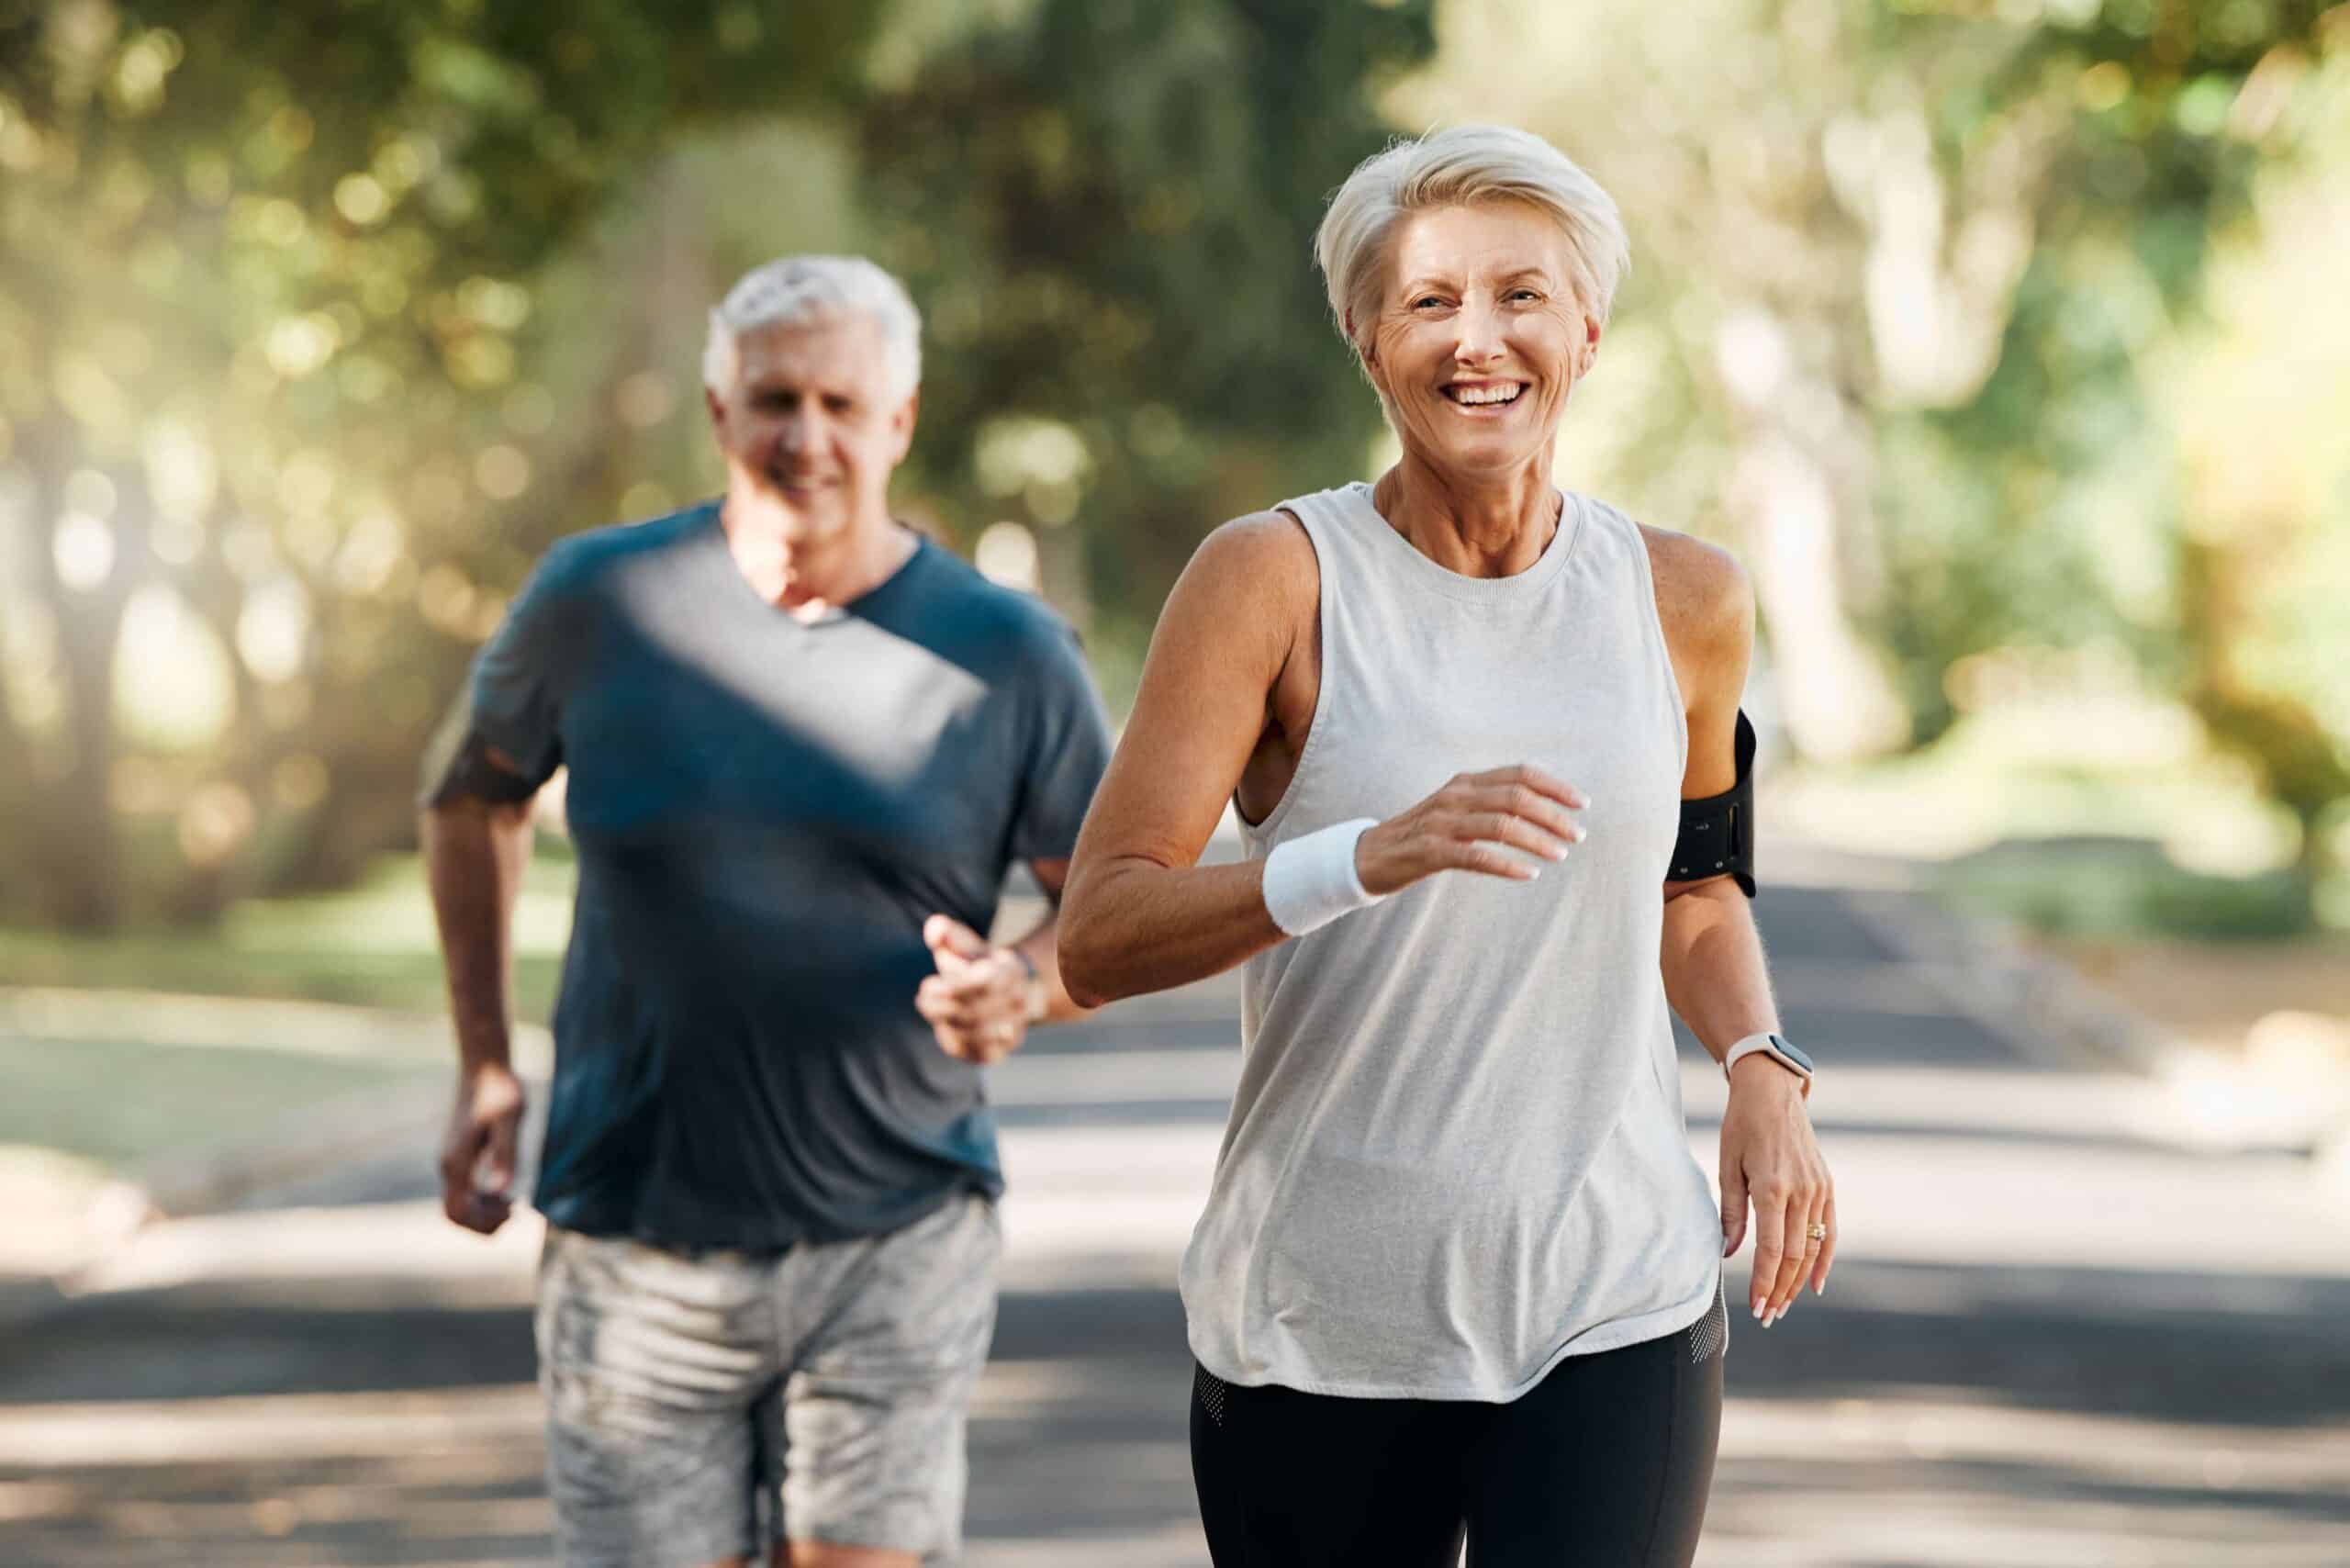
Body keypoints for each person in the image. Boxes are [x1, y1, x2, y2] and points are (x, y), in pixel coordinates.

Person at [1058, 126, 1836, 1567]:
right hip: (1319, 1320)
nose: (1480, 340)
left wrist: (1758, 1065)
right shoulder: (1270, 581)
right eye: (1429, 304)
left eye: (1521, 295)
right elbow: (1100, 934)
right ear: (1366, 339)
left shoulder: (1685, 598)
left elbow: (1700, 883)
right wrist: (1361, 856)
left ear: (1588, 331)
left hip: (1614, 1297)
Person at [420, 254, 1113, 1568]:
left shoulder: (1011, 653)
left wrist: (1022, 983)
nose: (810, 436)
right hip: (634, 1239)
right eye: (777, 399)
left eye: (844, 406)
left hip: (899, 1230)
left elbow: (1111, 913)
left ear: (899, 423)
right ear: (721, 411)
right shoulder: (596, 601)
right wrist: (482, 1060)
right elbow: (472, 800)